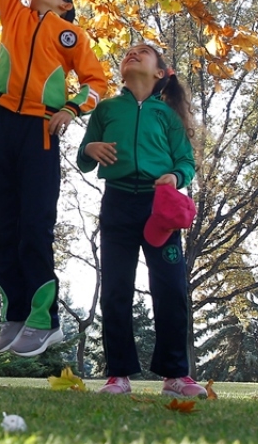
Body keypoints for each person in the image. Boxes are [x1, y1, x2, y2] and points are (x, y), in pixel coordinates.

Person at [0, 0, 108, 357]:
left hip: (39, 130)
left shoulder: (72, 35)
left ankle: (45, 319)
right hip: (2, 125)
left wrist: (72, 108)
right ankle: (15, 316)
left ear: (64, 3)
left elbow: (97, 83)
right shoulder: (13, 16)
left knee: (35, 224)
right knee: (3, 225)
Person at [77, 43, 203, 398]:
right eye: (128, 52)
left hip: (159, 208)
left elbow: (186, 162)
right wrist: (90, 149)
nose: (132, 53)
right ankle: (118, 375)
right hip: (116, 203)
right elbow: (83, 158)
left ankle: (176, 375)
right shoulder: (106, 110)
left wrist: (175, 178)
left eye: (143, 52)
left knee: (170, 287)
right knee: (116, 287)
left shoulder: (167, 116)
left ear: (159, 73)